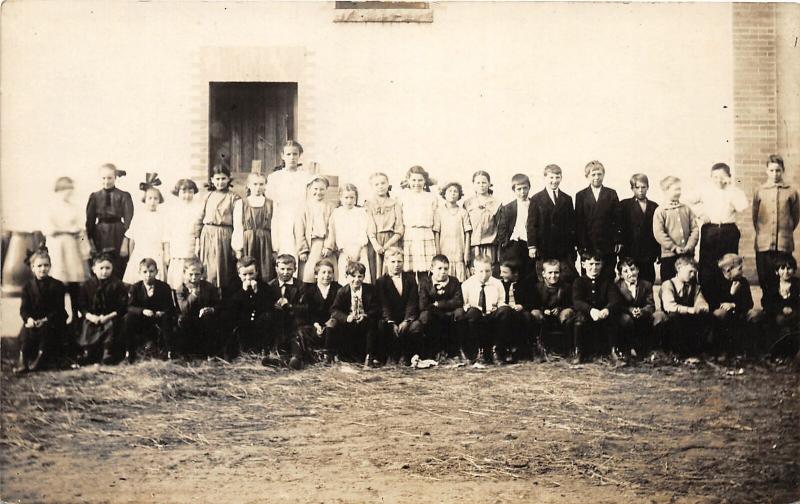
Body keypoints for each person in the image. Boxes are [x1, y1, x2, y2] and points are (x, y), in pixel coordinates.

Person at [687, 162, 749, 292]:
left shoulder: (733, 191)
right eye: (715, 177)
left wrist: (731, 187)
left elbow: (742, 206)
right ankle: (709, 299)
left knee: (729, 264)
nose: (719, 180)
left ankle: (728, 297)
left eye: (723, 177)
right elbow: (687, 200)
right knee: (708, 264)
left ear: (729, 177)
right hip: (710, 230)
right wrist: (700, 213)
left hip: (728, 230)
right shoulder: (705, 190)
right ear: (711, 177)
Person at [14, 248, 67, 373]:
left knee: (47, 330)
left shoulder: (57, 285)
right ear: (33, 267)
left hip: (52, 320)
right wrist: (29, 319)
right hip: (34, 320)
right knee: (26, 330)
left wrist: (45, 320)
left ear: (50, 267)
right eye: (39, 266)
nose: (43, 269)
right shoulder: (27, 287)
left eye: (46, 265)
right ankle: (23, 359)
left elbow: (59, 309)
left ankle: (41, 358)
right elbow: (24, 309)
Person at [752, 154, 800, 293]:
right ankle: (767, 309)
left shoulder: (791, 191)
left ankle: (782, 308)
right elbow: (756, 218)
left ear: (783, 170)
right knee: (765, 277)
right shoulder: (760, 191)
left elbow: (795, 218)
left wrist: (785, 231)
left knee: (783, 278)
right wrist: (764, 233)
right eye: (771, 170)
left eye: (778, 170)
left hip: (783, 244)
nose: (774, 174)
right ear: (767, 171)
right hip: (763, 244)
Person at [527, 164, 578, 286]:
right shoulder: (536, 199)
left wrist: (574, 245)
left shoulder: (567, 199)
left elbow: (572, 224)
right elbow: (531, 224)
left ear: (561, 178)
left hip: (563, 247)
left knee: (565, 276)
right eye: (551, 177)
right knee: (544, 277)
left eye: (557, 177)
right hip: (544, 246)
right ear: (545, 178)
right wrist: (532, 246)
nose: (554, 181)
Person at [266, 140, 316, 261]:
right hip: (282, 216)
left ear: (299, 156)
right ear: (282, 156)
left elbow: (311, 199)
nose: (292, 157)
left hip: (301, 216)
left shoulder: (306, 177)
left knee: (301, 251)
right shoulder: (275, 177)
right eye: (288, 154)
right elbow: (270, 200)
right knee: (284, 249)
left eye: (295, 154)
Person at [196, 164, 243, 291]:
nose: (220, 182)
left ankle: (222, 299)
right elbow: (199, 219)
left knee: (223, 269)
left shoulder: (234, 197)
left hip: (224, 236)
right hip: (207, 235)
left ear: (229, 179)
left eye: (223, 178)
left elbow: (238, 223)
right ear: (212, 180)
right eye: (217, 179)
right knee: (208, 268)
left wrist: (237, 246)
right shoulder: (207, 196)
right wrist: (197, 240)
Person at [76, 252, 128, 365]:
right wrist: (90, 316)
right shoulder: (86, 285)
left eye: (107, 268)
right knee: (87, 325)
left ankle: (107, 352)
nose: (104, 271)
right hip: (92, 316)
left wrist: (108, 316)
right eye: (101, 268)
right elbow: (81, 305)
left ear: (112, 268)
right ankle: (88, 352)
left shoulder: (117, 284)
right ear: (94, 269)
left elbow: (122, 306)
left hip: (110, 316)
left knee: (110, 326)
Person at [707, 254, 762, 359]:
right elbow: (713, 304)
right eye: (740, 269)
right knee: (719, 313)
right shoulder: (715, 282)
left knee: (755, 314)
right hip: (725, 316)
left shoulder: (743, 281)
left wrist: (734, 304)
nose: (742, 271)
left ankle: (749, 350)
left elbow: (749, 303)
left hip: (739, 312)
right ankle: (722, 349)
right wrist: (731, 294)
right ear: (728, 270)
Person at [375, 247, 424, 366]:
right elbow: (384, 304)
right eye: (393, 262)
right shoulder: (381, 282)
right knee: (382, 326)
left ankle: (408, 356)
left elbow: (412, 302)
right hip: (390, 318)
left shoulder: (410, 279)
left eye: (399, 261)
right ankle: (390, 356)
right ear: (386, 262)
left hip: (406, 317)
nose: (396, 265)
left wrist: (407, 320)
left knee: (416, 326)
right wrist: (391, 322)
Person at [44, 177, 90, 302]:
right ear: (58, 190)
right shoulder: (51, 207)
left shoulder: (74, 208)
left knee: (74, 279)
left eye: (70, 189)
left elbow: (80, 226)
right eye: (65, 189)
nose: (68, 192)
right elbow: (49, 229)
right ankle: (59, 315)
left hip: (73, 246)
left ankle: (76, 315)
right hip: (58, 245)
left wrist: (80, 236)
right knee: (58, 278)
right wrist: (68, 230)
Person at [572, 251, 622, 363]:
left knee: (613, 318)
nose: (594, 267)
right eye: (591, 264)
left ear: (602, 265)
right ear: (584, 265)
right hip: (587, 314)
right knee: (579, 320)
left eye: (597, 264)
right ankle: (578, 351)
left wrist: (606, 309)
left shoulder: (607, 281)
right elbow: (577, 301)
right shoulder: (579, 281)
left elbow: (615, 299)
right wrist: (590, 310)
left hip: (603, 314)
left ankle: (614, 351)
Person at [461, 254, 512, 364]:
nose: (484, 274)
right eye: (481, 271)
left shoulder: (497, 284)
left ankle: (497, 350)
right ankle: (478, 352)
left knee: (505, 311)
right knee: (472, 313)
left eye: (488, 271)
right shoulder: (467, 285)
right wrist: (468, 307)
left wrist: (499, 307)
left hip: (492, 316)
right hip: (477, 318)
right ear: (473, 270)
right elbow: (464, 305)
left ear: (492, 270)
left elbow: (501, 302)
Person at [574, 161, 621, 281]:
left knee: (607, 276)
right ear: (587, 176)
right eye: (593, 174)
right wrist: (582, 247)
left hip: (607, 244)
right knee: (589, 278)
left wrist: (617, 240)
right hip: (588, 244)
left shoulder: (611, 193)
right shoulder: (581, 195)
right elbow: (579, 222)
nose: (596, 177)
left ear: (603, 175)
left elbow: (617, 219)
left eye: (599, 174)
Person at [85, 163, 134, 276]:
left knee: (118, 264)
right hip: (100, 234)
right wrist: (90, 242)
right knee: (101, 263)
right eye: (103, 178)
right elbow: (90, 221)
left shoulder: (124, 196)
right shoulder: (94, 196)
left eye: (110, 178)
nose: (106, 181)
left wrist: (125, 241)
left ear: (115, 178)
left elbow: (129, 220)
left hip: (118, 233)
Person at [329, 261, 380, 367]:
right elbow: (334, 310)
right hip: (350, 322)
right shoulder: (342, 292)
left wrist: (366, 315)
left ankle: (369, 356)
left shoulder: (370, 290)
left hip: (365, 321)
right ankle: (337, 356)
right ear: (346, 277)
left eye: (360, 276)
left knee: (373, 325)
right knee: (337, 326)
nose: (356, 280)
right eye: (353, 276)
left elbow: (376, 308)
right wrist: (346, 317)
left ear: (364, 277)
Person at [659, 256, 712, 358]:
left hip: (688, 317)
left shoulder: (695, 286)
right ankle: (676, 352)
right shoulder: (668, 284)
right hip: (672, 318)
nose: (692, 275)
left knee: (706, 317)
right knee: (675, 319)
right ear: (679, 268)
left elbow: (701, 301)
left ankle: (700, 350)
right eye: (690, 272)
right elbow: (669, 306)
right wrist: (690, 309)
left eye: (694, 273)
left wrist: (701, 306)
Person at [124, 258, 175, 362]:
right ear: (139, 273)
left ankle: (169, 351)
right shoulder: (135, 288)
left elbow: (170, 306)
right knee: (128, 318)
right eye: (145, 272)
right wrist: (142, 311)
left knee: (168, 320)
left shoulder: (164, 287)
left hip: (159, 318)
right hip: (142, 319)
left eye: (151, 271)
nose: (148, 275)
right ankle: (130, 352)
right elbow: (130, 306)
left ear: (156, 272)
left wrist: (163, 311)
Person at [220, 256, 272, 360]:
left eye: (251, 273)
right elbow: (230, 308)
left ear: (257, 272)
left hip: (258, 324)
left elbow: (267, 306)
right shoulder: (232, 287)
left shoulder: (264, 287)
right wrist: (243, 291)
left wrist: (257, 293)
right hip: (240, 324)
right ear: (239, 274)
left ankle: (263, 352)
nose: (248, 277)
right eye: (244, 274)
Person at [615, 257, 665, 360]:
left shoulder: (646, 285)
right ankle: (629, 348)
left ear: (638, 270)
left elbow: (651, 305)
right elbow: (617, 305)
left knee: (659, 317)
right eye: (625, 271)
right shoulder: (617, 286)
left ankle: (654, 349)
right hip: (626, 317)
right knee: (625, 319)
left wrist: (641, 311)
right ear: (620, 275)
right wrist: (631, 310)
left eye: (633, 269)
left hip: (642, 317)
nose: (630, 273)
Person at [294, 259, 340, 367]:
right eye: (323, 272)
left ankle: (327, 356)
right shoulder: (307, 290)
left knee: (333, 327)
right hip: (314, 324)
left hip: (332, 325)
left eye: (329, 272)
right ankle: (302, 357)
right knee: (302, 330)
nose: (327, 275)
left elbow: (339, 309)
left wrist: (331, 320)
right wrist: (315, 324)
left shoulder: (338, 289)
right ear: (316, 275)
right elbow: (306, 311)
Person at [123, 174, 168, 284]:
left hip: (156, 251)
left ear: (159, 200)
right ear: (145, 199)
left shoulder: (162, 217)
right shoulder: (138, 216)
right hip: (140, 251)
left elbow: (166, 239)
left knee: (156, 279)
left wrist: (166, 255)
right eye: (150, 198)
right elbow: (132, 239)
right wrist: (131, 257)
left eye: (155, 199)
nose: (152, 201)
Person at [653, 176, 700, 281]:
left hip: (687, 255)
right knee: (669, 284)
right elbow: (659, 233)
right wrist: (674, 247)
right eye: (676, 189)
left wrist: (689, 246)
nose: (679, 192)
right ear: (666, 190)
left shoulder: (686, 209)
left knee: (689, 283)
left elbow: (695, 229)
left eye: (680, 189)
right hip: (669, 257)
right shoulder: (660, 211)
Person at [418, 255, 465, 360]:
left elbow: (458, 301)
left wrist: (438, 304)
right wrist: (438, 308)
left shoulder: (454, 281)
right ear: (432, 269)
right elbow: (423, 305)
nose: (443, 271)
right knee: (425, 316)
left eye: (446, 268)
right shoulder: (425, 282)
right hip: (433, 315)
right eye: (439, 268)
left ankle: (454, 351)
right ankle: (431, 351)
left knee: (460, 313)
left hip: (450, 314)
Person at [399, 166, 440, 284]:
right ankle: (411, 300)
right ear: (408, 181)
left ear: (425, 181)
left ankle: (424, 299)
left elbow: (436, 218)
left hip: (426, 234)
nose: (417, 183)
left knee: (425, 271)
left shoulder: (431, 197)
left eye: (420, 180)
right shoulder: (403, 196)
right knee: (409, 270)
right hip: (410, 234)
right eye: (413, 180)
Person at [617, 174, 659, 284]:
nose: (640, 190)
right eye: (637, 187)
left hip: (648, 254)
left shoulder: (654, 206)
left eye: (643, 187)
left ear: (648, 187)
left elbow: (657, 231)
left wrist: (658, 252)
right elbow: (619, 226)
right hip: (630, 252)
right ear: (632, 188)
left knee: (648, 281)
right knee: (629, 283)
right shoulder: (624, 205)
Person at [174, 258, 220, 359]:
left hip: (204, 318)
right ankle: (186, 355)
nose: (194, 277)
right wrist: (193, 295)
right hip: (188, 318)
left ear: (202, 274)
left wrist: (210, 309)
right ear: (184, 273)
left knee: (209, 319)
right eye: (190, 274)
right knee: (183, 321)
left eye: (197, 274)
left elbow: (218, 305)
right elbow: (184, 309)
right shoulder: (181, 289)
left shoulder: (209, 287)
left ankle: (210, 354)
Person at [233, 172, 274, 283]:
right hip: (248, 241)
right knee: (248, 270)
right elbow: (238, 226)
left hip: (265, 241)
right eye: (255, 184)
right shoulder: (241, 203)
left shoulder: (271, 204)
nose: (258, 187)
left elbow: (275, 227)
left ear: (265, 185)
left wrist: (275, 248)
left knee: (265, 270)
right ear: (249, 185)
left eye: (261, 184)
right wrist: (238, 248)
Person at [327, 183, 371, 285]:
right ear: (341, 198)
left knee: (361, 276)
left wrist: (358, 252)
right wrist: (345, 251)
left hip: (360, 250)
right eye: (346, 197)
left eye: (352, 197)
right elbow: (337, 233)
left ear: (356, 198)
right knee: (345, 277)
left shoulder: (361, 212)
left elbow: (363, 232)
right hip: (345, 251)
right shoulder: (337, 213)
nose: (349, 200)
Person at [264, 254, 303, 367]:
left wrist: (289, 305)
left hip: (294, 319)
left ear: (295, 269)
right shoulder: (270, 286)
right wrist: (273, 306)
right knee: (272, 323)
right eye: (282, 269)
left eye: (289, 269)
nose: (285, 272)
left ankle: (296, 357)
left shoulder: (301, 286)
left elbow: (304, 307)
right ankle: (275, 355)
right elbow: (265, 305)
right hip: (277, 319)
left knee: (296, 331)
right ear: (276, 269)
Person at [530, 259, 575, 357]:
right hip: (544, 317)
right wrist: (543, 310)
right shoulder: (537, 288)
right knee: (535, 313)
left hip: (560, 316)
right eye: (550, 273)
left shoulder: (566, 287)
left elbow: (571, 304)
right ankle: (540, 347)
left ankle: (568, 348)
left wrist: (560, 309)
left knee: (567, 313)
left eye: (556, 273)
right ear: (543, 274)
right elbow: (533, 305)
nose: (553, 276)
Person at [295, 177, 336, 283]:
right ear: (309, 189)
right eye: (315, 189)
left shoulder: (331, 207)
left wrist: (328, 246)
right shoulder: (303, 207)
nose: (318, 192)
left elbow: (332, 228)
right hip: (311, 244)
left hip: (326, 245)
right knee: (310, 274)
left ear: (326, 190)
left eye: (322, 189)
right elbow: (299, 229)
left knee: (328, 272)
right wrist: (302, 250)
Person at [164, 179, 202, 290]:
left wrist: (198, 246)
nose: (187, 195)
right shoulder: (172, 210)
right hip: (177, 249)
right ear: (178, 193)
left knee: (191, 278)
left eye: (190, 192)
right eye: (184, 192)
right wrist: (167, 252)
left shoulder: (198, 208)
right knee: (176, 280)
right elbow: (167, 233)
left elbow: (198, 230)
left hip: (191, 248)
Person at [365, 172, 404, 282]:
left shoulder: (395, 203)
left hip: (391, 241)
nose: (380, 186)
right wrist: (376, 245)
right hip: (375, 242)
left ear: (388, 184)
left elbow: (399, 228)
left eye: (383, 183)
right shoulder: (369, 204)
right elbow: (370, 226)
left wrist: (387, 245)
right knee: (375, 271)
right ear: (372, 187)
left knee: (391, 270)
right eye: (376, 184)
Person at [760, 254, 800, 358]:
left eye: (789, 268)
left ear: (794, 270)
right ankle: (777, 352)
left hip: (795, 314)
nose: (786, 272)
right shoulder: (772, 285)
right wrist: (781, 309)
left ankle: (792, 353)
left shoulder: (797, 284)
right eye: (782, 268)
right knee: (778, 321)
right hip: (776, 314)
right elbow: (766, 302)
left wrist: (792, 309)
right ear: (776, 271)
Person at [497, 173, 534, 279]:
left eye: (525, 188)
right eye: (519, 189)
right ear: (514, 190)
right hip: (514, 246)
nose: (522, 192)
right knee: (514, 276)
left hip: (531, 246)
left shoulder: (535, 204)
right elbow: (502, 230)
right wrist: (506, 244)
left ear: (529, 188)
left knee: (530, 276)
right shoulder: (508, 208)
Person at [463, 170, 501, 272]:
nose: (481, 185)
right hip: (473, 247)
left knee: (489, 273)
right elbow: (465, 228)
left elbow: (499, 227)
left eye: (484, 182)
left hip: (490, 246)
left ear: (489, 184)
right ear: (474, 185)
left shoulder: (497, 203)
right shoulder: (467, 203)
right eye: (478, 183)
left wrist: (498, 252)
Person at [498, 260, 533, 362]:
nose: (501, 275)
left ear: (515, 274)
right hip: (505, 311)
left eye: (505, 272)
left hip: (520, 312)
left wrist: (522, 306)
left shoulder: (525, 285)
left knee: (526, 317)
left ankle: (523, 350)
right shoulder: (500, 285)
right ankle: (505, 350)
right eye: (501, 272)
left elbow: (532, 301)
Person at [437, 181, 472, 281]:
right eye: (450, 191)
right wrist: (438, 252)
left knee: (460, 280)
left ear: (459, 194)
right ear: (444, 194)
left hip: (459, 251)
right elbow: (436, 233)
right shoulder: (439, 211)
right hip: (444, 250)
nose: (452, 193)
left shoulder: (463, 212)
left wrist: (466, 252)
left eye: (455, 191)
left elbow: (467, 233)